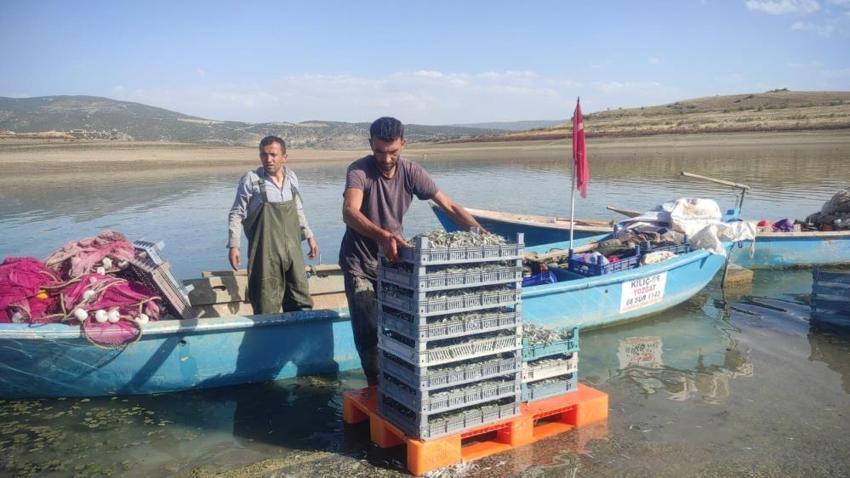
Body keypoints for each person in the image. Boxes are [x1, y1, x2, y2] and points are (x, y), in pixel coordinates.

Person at [340, 117, 484, 385]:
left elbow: (449, 206)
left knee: (405, 325)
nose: (386, 159)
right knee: (368, 331)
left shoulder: (411, 172)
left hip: (394, 259)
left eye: (392, 152)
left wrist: (481, 233)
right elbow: (349, 212)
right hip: (360, 263)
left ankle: (401, 381)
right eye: (379, 151)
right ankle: (376, 387)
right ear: (371, 144)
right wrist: (383, 235)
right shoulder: (359, 171)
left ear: (403, 144)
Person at [228, 135, 319, 314]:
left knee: (300, 299)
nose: (268, 159)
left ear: (284, 157)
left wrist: (309, 235)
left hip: (292, 251)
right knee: (266, 303)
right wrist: (234, 245)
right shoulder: (251, 180)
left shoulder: (292, 178)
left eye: (273, 155)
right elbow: (236, 213)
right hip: (265, 254)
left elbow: (298, 209)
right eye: (264, 154)